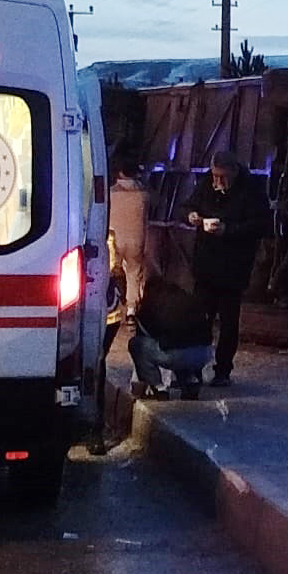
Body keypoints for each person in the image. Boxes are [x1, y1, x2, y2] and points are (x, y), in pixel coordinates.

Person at [182, 151, 268, 385]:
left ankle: (223, 370)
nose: (217, 182)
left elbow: (260, 224)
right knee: (200, 320)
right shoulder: (206, 186)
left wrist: (228, 230)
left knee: (229, 323)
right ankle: (194, 367)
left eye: (222, 177)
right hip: (206, 265)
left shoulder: (251, 190)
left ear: (234, 172)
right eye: (214, 176)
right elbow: (188, 205)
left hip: (233, 268)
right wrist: (191, 215)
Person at [129, 274, 214, 400]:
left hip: (175, 354)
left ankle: (158, 387)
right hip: (204, 353)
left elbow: (143, 335)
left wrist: (139, 384)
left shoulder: (152, 303)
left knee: (137, 344)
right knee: (182, 346)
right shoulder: (188, 298)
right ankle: (191, 382)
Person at [107, 150, 150, 319]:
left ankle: (109, 304)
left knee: (108, 272)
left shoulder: (110, 193)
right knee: (134, 272)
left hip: (113, 238)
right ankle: (131, 308)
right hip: (136, 239)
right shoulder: (144, 195)